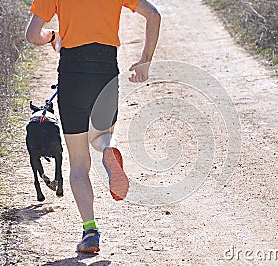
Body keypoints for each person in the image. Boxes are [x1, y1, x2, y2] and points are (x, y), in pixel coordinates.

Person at [26, 0, 161, 253]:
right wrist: (145, 60)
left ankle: (90, 232)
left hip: (73, 71)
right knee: (102, 137)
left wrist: (53, 36)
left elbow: (33, 35)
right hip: (105, 69)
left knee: (78, 162)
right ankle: (109, 152)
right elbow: (153, 15)